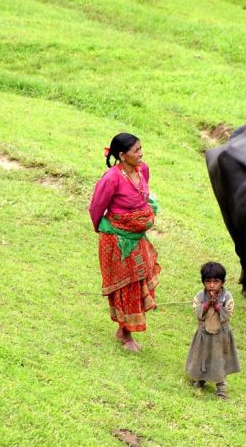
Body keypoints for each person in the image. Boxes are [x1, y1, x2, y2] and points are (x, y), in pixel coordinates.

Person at [89, 133, 161, 352]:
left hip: (136, 236)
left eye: (141, 148)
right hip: (117, 239)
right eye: (136, 150)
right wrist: (109, 232)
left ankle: (124, 330)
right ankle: (125, 334)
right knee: (127, 284)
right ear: (122, 155)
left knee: (142, 277)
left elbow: (143, 197)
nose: (141, 154)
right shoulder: (111, 178)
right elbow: (95, 209)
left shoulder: (143, 170)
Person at [185, 262, 240, 399]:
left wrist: (216, 305)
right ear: (203, 282)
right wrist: (208, 303)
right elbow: (198, 312)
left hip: (220, 336)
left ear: (222, 282)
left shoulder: (227, 298)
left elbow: (227, 315)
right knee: (201, 357)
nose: (211, 285)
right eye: (208, 281)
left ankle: (221, 389)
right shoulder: (199, 296)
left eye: (216, 282)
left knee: (218, 360)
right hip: (203, 334)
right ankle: (201, 380)